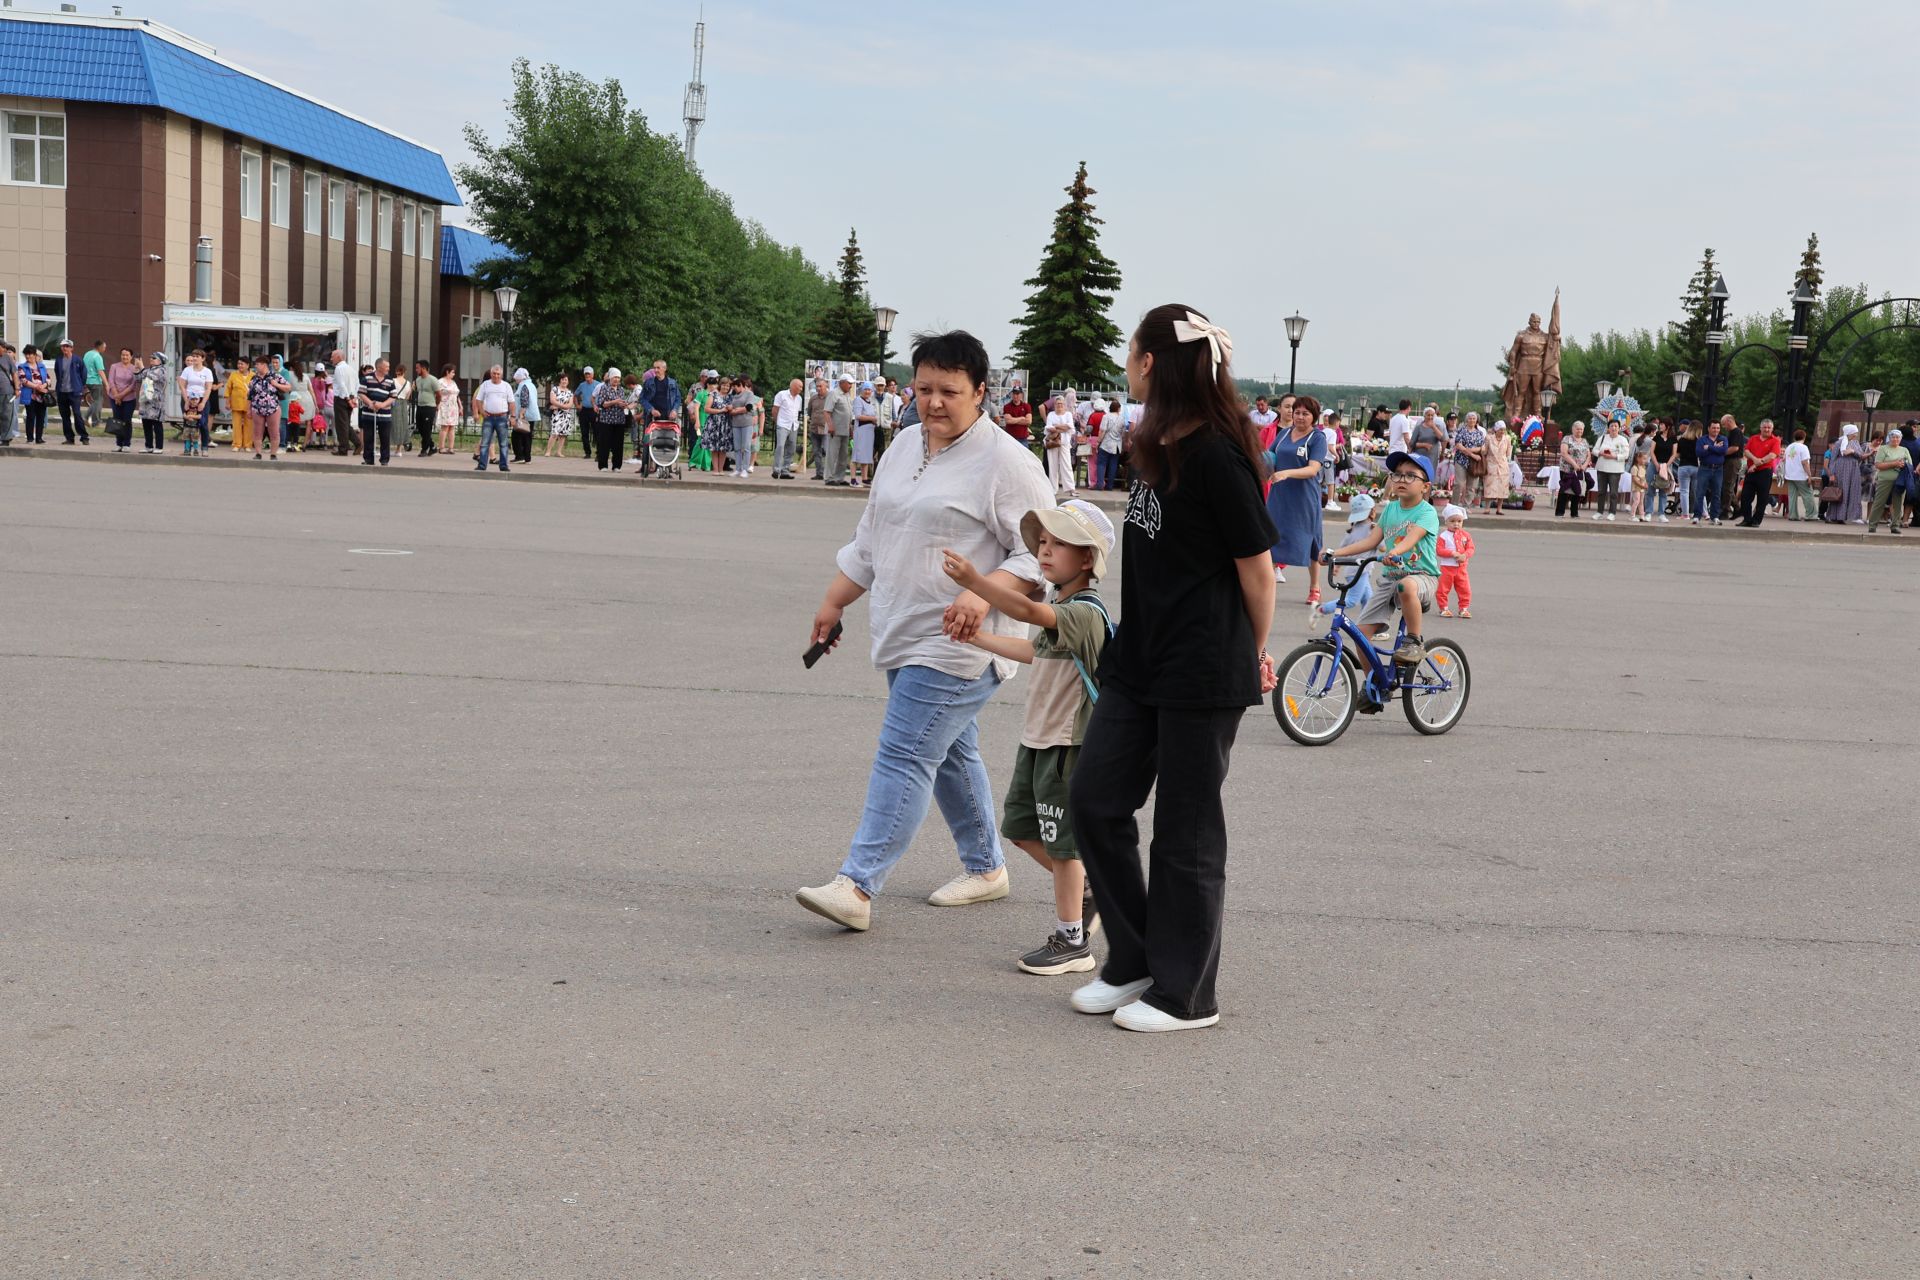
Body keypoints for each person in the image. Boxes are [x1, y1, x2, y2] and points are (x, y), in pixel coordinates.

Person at [1058, 304, 1276, 1034]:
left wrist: (1252, 651)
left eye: (1131, 353)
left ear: (1151, 362)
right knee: (1094, 799)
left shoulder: (1218, 453)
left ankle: (1187, 994)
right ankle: (1138, 957)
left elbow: (1259, 572)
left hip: (1201, 668)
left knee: (1184, 834)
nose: (1126, 363)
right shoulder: (1155, 442)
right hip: (1139, 659)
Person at [794, 329, 1054, 933]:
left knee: (907, 751)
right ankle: (987, 867)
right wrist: (834, 602)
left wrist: (979, 588)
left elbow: (1042, 555)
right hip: (901, 628)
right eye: (924, 388)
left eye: (949, 391)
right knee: (949, 751)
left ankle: (856, 885)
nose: (933, 402)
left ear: (981, 392)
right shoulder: (905, 444)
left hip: (962, 644)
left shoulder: (1008, 463)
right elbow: (872, 536)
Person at [939, 499, 1114, 975]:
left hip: (1067, 745)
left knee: (1063, 846)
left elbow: (1031, 614)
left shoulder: (1085, 612)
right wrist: (976, 639)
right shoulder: (1061, 607)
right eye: (1042, 541)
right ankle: (1091, 891)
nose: (1045, 550)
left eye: (1059, 543)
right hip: (1037, 740)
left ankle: (1072, 940)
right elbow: (1033, 647)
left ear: (1087, 560)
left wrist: (977, 584)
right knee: (1019, 830)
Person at [1333, 449, 1438, 666]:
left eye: (1411, 475)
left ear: (1425, 486)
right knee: (1360, 636)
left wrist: (1395, 552)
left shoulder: (1427, 512)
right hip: (1390, 579)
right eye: (1397, 474)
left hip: (1421, 577)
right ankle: (1373, 689)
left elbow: (1412, 537)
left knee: (1406, 586)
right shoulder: (1390, 510)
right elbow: (1370, 542)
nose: (1402, 479)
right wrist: (1335, 553)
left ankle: (1414, 641)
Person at [1265, 393, 1327, 599]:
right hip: (1280, 495)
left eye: (1305, 414)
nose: (1299, 417)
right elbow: (1268, 457)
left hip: (1304, 498)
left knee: (1311, 541)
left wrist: (1287, 472)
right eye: (1297, 412)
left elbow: (1313, 469)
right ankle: (1265, 584)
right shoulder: (1283, 434)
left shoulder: (1317, 438)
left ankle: (1314, 587)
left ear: (1314, 416)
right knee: (1270, 537)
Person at [1736, 418, 1782, 527]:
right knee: (1745, 496)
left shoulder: (1775, 440)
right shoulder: (1753, 438)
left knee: (1762, 497)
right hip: (1751, 471)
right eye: (1764, 427)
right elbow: (1746, 451)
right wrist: (1755, 459)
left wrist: (1756, 464)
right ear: (1760, 428)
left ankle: (1756, 521)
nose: (1766, 429)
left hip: (1764, 472)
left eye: (1769, 427)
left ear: (1772, 429)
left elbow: (1772, 455)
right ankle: (1747, 519)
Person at [1866, 427, 1911, 533]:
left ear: (1901, 439)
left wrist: (1903, 464)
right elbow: (1878, 465)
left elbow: (1910, 465)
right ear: (1889, 438)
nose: (1895, 439)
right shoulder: (1883, 449)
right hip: (1885, 479)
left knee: (1898, 503)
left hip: (1900, 480)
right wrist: (1894, 463)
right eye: (1893, 437)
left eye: (1898, 437)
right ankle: (1872, 525)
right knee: (1879, 502)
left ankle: (1895, 525)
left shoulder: (1904, 450)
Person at [1434, 504, 1475, 618]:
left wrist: (1465, 555)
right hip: (1447, 567)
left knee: (1464, 588)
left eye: (1459, 521)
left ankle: (1464, 608)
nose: (1456, 524)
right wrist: (1452, 553)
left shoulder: (1466, 535)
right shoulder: (1443, 536)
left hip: (1461, 568)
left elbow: (1471, 548)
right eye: (1452, 521)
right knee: (1443, 588)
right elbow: (1439, 550)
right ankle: (1443, 608)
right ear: (1446, 522)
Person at [473, 365, 515, 472]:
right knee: (485, 442)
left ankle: (503, 465)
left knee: (503, 443)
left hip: (502, 417)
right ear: (491, 374)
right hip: (488, 417)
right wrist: (481, 411)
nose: (496, 376)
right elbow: (478, 399)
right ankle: (482, 465)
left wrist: (513, 416)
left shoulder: (506, 386)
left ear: (501, 375)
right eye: (494, 374)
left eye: (498, 374)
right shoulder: (485, 385)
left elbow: (511, 402)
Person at [246, 354, 287, 459]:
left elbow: (288, 387)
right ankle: (258, 453)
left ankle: (273, 454)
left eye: (258, 364)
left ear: (264, 365)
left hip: (273, 408)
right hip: (257, 408)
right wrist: (248, 409)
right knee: (257, 432)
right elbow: (250, 395)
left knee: (274, 432)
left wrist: (276, 385)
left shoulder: (275, 376)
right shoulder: (254, 378)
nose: (256, 366)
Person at [592, 368, 631, 471]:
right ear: (610, 378)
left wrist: (624, 404)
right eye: (615, 377)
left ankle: (617, 466)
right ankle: (603, 465)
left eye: (618, 377)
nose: (616, 379)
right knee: (604, 443)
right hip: (606, 420)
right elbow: (602, 403)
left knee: (618, 444)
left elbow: (621, 402)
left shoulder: (621, 389)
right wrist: (615, 401)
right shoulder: (604, 388)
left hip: (619, 420)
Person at [1591, 418, 1631, 520]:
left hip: (1615, 469)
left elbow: (1626, 455)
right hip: (1602, 467)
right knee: (1601, 491)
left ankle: (1612, 513)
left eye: (1616, 426)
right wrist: (1601, 453)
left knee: (1613, 492)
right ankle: (1599, 512)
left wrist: (1613, 456)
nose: (1613, 428)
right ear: (1608, 428)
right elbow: (1594, 450)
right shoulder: (1603, 438)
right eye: (1611, 426)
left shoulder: (1623, 440)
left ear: (1619, 428)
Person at [358, 358, 396, 465]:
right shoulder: (367, 378)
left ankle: (384, 460)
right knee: (368, 437)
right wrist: (370, 403)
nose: (388, 369)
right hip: (369, 413)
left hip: (385, 414)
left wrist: (382, 405)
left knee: (385, 437)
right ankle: (368, 459)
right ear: (379, 367)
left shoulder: (389, 380)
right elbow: (361, 393)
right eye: (386, 366)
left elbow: (393, 396)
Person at [1693, 418, 1730, 525]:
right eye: (1713, 428)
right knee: (1700, 492)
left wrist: (1709, 447)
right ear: (1709, 428)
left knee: (1717, 493)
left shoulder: (1723, 439)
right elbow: (1699, 453)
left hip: (1718, 469)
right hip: (1705, 468)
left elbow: (1723, 451)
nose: (1716, 430)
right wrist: (1714, 448)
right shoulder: (1702, 439)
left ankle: (1714, 517)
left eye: (1718, 428)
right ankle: (1697, 516)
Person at [177, 348, 214, 456]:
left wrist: (203, 403)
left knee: (203, 424)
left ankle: (204, 447)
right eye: (193, 356)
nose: (194, 358)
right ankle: (187, 448)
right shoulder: (187, 370)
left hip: (202, 399)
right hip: (188, 398)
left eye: (197, 356)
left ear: (203, 358)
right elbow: (182, 386)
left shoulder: (207, 371)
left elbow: (208, 388)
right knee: (187, 423)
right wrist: (186, 401)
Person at [821, 372, 855, 486]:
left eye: (851, 384)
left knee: (843, 455)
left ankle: (839, 477)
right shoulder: (834, 394)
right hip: (835, 430)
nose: (850, 386)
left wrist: (850, 428)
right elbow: (826, 411)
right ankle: (829, 477)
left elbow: (849, 413)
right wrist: (830, 425)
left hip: (845, 429)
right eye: (849, 384)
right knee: (832, 454)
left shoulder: (847, 395)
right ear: (842, 383)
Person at [104, 347, 140, 452]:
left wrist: (120, 396)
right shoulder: (114, 366)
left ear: (131, 357)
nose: (125, 357)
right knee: (117, 420)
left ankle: (126, 444)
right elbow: (111, 381)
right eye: (123, 355)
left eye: (127, 355)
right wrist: (116, 396)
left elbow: (132, 385)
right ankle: (118, 443)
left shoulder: (134, 368)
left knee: (127, 421)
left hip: (129, 399)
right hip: (114, 398)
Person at [55, 338, 90, 445]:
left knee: (77, 413)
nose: (64, 348)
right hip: (62, 392)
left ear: (71, 348)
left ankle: (84, 437)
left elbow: (83, 374)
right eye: (63, 346)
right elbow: (57, 373)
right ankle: (69, 438)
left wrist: (80, 387)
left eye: (67, 346)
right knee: (65, 416)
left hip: (75, 392)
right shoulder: (59, 360)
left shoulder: (78, 360)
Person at [1452, 411, 1488, 508]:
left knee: (1472, 486)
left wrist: (1472, 449)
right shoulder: (1461, 431)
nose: (1472, 420)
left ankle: (1466, 505)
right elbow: (1459, 446)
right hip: (1461, 460)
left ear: (1476, 420)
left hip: (1475, 463)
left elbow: (1483, 447)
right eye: (1470, 418)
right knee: (1458, 484)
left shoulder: (1479, 433)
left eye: (1473, 418)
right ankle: (1454, 505)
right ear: (1466, 420)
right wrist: (1472, 454)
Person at [1043, 395, 1077, 497]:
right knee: (1053, 465)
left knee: (1066, 465)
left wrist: (1056, 426)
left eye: (1061, 404)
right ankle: (1053, 489)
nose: (1060, 405)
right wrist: (1063, 428)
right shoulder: (1051, 415)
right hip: (1053, 442)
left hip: (1065, 442)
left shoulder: (1068, 415)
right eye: (1058, 404)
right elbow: (1048, 428)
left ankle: (1071, 489)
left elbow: (1070, 427)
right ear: (1055, 405)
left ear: (1065, 405)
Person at [770, 377, 803, 479]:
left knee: (791, 448)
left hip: (793, 425)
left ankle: (785, 470)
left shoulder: (799, 398)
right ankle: (776, 469)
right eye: (800, 386)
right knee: (780, 446)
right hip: (783, 424)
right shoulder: (781, 394)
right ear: (793, 386)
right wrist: (777, 422)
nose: (801, 389)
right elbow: (775, 409)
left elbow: (797, 412)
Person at [18, 345, 52, 445]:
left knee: (41, 417)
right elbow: (23, 380)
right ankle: (29, 438)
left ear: (34, 354)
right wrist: (37, 387)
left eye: (30, 354)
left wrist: (44, 385)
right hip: (30, 395)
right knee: (30, 416)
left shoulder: (41, 366)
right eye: (26, 354)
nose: (28, 356)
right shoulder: (22, 366)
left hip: (42, 396)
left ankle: (39, 438)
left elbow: (48, 378)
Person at [1556, 423, 1591, 518]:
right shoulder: (1567, 439)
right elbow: (1564, 453)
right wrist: (1574, 464)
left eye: (1581, 429)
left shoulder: (1584, 441)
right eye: (1577, 429)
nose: (1579, 431)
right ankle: (1560, 512)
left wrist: (1584, 465)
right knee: (1564, 489)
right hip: (1567, 469)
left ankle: (1574, 512)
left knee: (1578, 490)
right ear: (1573, 429)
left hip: (1580, 470)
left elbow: (1588, 455)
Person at [1092, 394, 1126, 490]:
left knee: (1101, 464)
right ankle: (1110, 486)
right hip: (1117, 445)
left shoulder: (1106, 417)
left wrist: (1098, 441)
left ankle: (1099, 485)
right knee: (1113, 465)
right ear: (1119, 409)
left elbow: (1102, 431)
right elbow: (1123, 433)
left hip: (1106, 444)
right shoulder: (1122, 418)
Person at [328, 349, 358, 456]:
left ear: (339, 357)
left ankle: (343, 448)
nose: (331, 359)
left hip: (341, 398)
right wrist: (353, 397)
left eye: (333, 356)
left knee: (341, 425)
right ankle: (357, 443)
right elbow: (356, 383)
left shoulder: (338, 369)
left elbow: (341, 384)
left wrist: (348, 399)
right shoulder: (351, 369)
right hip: (350, 396)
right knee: (345, 424)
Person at [136, 351, 168, 453]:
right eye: (150, 357)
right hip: (145, 401)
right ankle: (148, 446)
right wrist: (137, 368)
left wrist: (142, 368)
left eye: (153, 358)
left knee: (157, 425)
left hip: (156, 402)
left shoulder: (162, 370)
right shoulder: (149, 370)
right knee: (146, 424)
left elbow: (152, 377)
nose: (151, 359)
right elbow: (138, 378)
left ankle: (159, 447)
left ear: (160, 361)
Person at [1781, 427, 1815, 520]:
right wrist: (1809, 475)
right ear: (1804, 437)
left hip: (1790, 475)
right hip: (1800, 475)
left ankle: (1793, 515)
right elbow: (1805, 462)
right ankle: (1811, 515)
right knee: (1807, 495)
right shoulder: (1803, 448)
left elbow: (1784, 460)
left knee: (1792, 496)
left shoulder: (1789, 447)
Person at [1645, 420, 1675, 523]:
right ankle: (1648, 512)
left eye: (1662, 424)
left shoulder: (1673, 438)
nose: (1660, 426)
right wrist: (1656, 464)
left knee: (1664, 489)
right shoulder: (1657, 437)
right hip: (1654, 464)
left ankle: (1661, 514)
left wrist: (1667, 465)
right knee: (1650, 488)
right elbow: (1652, 452)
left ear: (1668, 426)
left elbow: (1674, 454)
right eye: (1660, 424)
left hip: (1666, 465)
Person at [849, 381, 879, 486]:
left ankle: (865, 478)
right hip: (861, 431)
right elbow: (858, 416)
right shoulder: (858, 400)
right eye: (866, 389)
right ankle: (853, 479)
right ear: (862, 390)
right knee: (857, 455)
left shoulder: (870, 402)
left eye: (869, 389)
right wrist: (872, 418)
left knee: (866, 455)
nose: (867, 391)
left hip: (869, 432)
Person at [510, 368, 540, 464]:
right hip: (531, 415)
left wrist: (521, 414)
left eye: (516, 378)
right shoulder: (531, 385)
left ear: (521, 377)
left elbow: (524, 400)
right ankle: (527, 458)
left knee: (516, 435)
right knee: (527, 436)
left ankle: (519, 456)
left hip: (524, 415)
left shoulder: (524, 386)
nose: (516, 380)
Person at [1483, 419, 1513, 514]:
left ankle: (1499, 508)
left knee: (1502, 486)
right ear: (1496, 430)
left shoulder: (1507, 438)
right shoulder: (1489, 438)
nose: (1502, 432)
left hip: (1502, 464)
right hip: (1491, 463)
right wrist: (1482, 449)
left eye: (1503, 430)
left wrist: (1506, 460)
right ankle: (1487, 507)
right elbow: (1485, 451)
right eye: (1500, 429)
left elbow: (1508, 452)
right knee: (1489, 485)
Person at [224, 359, 253, 454]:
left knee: (249, 426)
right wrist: (227, 402)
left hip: (249, 405)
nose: (240, 365)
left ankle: (248, 445)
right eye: (238, 363)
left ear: (247, 365)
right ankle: (237, 445)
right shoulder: (233, 375)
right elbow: (228, 389)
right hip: (236, 404)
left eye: (242, 364)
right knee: (236, 425)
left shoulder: (253, 375)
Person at [544, 373, 576, 458]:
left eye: (566, 379)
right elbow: (552, 400)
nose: (564, 381)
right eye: (563, 379)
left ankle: (559, 452)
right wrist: (563, 406)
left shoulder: (570, 392)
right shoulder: (555, 389)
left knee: (563, 434)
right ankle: (548, 451)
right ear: (560, 380)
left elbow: (570, 405)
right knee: (554, 433)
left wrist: (559, 406)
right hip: (556, 415)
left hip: (566, 415)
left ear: (568, 381)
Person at [411, 361, 439, 456]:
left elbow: (439, 394)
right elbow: (416, 390)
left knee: (427, 428)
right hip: (420, 406)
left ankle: (424, 449)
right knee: (420, 427)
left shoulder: (432, 379)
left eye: (417, 368)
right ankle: (432, 446)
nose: (416, 370)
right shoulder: (418, 380)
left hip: (430, 406)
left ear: (423, 368)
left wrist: (436, 404)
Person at [83, 338, 109, 440]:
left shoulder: (87, 354)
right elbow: (100, 371)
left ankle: (88, 418)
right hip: (96, 382)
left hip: (87, 380)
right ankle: (95, 421)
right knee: (98, 401)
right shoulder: (97, 356)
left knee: (94, 401)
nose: (105, 349)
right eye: (104, 347)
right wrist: (106, 383)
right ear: (100, 347)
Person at [805, 376, 830, 480]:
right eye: (817, 386)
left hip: (826, 429)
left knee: (827, 451)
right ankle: (819, 473)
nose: (818, 388)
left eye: (820, 386)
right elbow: (810, 411)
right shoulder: (813, 398)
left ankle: (828, 473)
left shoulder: (830, 397)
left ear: (826, 386)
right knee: (816, 452)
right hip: (814, 428)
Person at [1674, 421, 1700, 521]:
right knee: (1696, 491)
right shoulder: (1699, 440)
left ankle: (1685, 515)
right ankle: (1698, 512)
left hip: (1684, 466)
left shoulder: (1682, 440)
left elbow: (1678, 454)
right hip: (1695, 466)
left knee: (1684, 491)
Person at [435, 363, 462, 454]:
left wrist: (460, 406)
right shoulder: (440, 382)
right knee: (445, 427)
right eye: (452, 372)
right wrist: (437, 404)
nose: (454, 374)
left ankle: (451, 447)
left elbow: (457, 395)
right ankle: (441, 447)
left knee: (452, 427)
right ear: (447, 372)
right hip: (445, 406)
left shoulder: (453, 383)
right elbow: (437, 394)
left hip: (453, 407)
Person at [0, 342, 18, 446]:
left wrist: (17, 388)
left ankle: (6, 439)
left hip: (7, 391)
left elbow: (14, 374)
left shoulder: (7, 358)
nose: (5, 350)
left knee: (7, 415)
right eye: (3, 348)